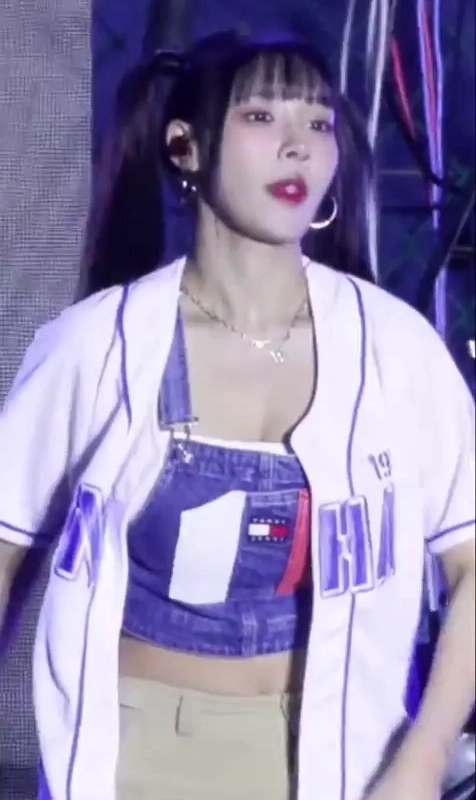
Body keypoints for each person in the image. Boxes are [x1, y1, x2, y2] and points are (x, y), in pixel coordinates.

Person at [0, 30, 474, 800]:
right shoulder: (100, 344)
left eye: (318, 123)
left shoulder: (394, 347)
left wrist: (423, 758)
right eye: (261, 117)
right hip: (140, 757)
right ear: (184, 147)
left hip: (349, 759)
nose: (298, 146)